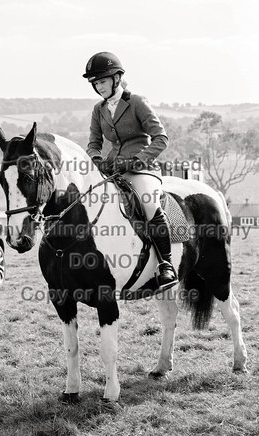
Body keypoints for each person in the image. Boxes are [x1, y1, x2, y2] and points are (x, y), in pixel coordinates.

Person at [83, 51, 177, 291]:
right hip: (113, 169)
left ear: (116, 79)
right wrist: (97, 159)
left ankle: (166, 264)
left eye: (102, 81)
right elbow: (93, 143)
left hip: (143, 169)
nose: (98, 86)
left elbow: (161, 138)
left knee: (147, 204)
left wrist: (136, 161)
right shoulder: (98, 109)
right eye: (95, 83)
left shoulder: (136, 102)